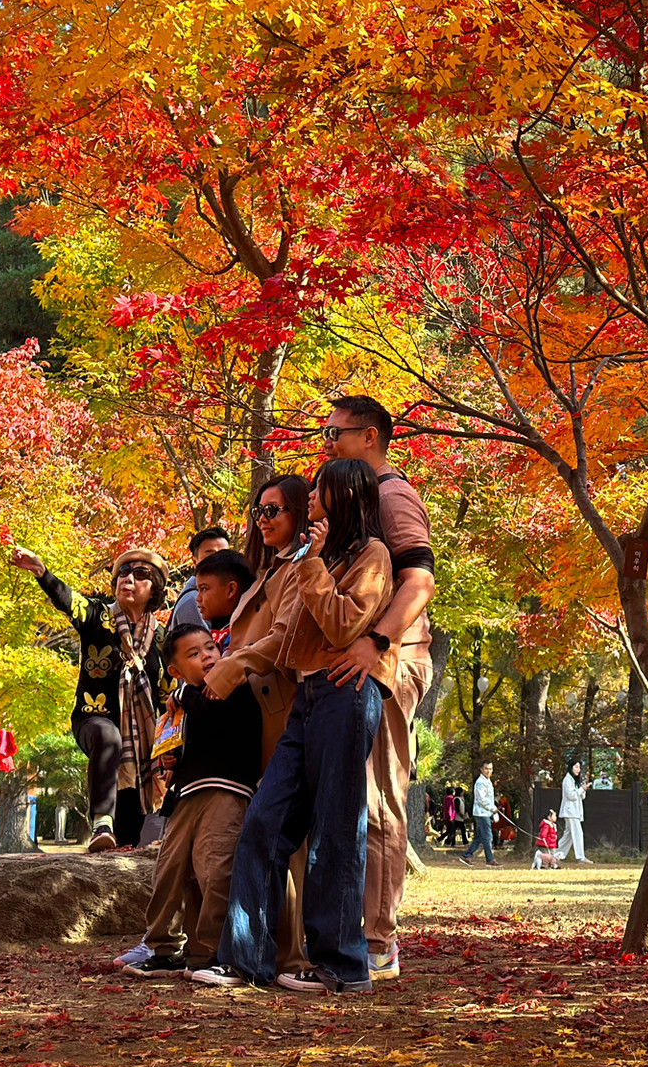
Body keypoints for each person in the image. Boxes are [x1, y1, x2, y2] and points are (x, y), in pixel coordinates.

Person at [192, 458, 391, 994]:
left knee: (335, 829)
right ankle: (245, 959)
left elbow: (343, 622)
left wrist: (314, 565)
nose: (314, 501)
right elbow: (290, 637)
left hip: (346, 695)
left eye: (322, 492)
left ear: (345, 498)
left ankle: (344, 967)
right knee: (265, 820)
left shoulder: (371, 556)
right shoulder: (313, 555)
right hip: (307, 695)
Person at [316, 396, 436, 981]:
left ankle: (377, 940)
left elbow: (419, 580)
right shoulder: (352, 501)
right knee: (343, 799)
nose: (326, 441)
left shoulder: (392, 494)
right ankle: (341, 932)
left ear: (370, 437)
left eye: (334, 431)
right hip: (351, 666)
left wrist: (378, 643)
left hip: (392, 662)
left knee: (377, 797)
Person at [122, 621, 264, 979]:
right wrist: (174, 758)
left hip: (227, 791)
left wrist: (184, 695)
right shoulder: (184, 705)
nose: (207, 656)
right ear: (175, 670)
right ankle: (164, 948)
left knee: (214, 869)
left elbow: (220, 722)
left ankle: (214, 952)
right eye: (194, 654)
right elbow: (194, 739)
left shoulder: (233, 686)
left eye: (210, 648)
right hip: (186, 795)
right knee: (171, 871)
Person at [11, 544, 170, 851]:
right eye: (123, 573)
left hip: (142, 746)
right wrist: (41, 572)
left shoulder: (163, 638)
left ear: (155, 590)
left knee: (126, 838)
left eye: (141, 575)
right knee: (109, 736)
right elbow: (69, 600)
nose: (128, 579)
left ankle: (114, 849)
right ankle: (100, 823)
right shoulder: (97, 617)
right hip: (92, 719)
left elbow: (166, 695)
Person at [169, 525, 239, 635]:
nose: (218, 561)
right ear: (195, 561)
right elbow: (201, 648)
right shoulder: (193, 601)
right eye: (210, 555)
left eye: (223, 554)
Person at [459, 761, 498, 866]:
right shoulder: (480, 782)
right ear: (481, 769)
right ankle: (490, 859)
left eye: (490, 769)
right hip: (481, 813)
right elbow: (481, 799)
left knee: (480, 837)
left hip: (486, 812)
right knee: (488, 836)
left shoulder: (488, 781)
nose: (488, 771)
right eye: (486, 768)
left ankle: (467, 856)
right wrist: (493, 808)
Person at [558, 760, 591, 864]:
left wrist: (583, 788)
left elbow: (581, 796)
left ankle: (555, 854)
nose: (578, 769)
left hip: (575, 811)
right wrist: (581, 789)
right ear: (571, 767)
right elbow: (570, 796)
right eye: (576, 767)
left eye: (579, 767)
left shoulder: (574, 780)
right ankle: (580, 857)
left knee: (568, 835)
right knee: (577, 833)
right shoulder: (567, 780)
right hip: (570, 811)